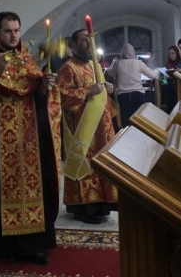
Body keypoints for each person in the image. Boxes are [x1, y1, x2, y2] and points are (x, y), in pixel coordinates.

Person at [0, 11, 61, 264]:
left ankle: (33, 246)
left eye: (16, 30)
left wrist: (44, 85)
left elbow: (34, 90)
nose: (13, 35)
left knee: (32, 187)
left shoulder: (26, 56)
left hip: (29, 139)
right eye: (8, 31)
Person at [57, 28, 118, 224]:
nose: (88, 44)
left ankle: (103, 204)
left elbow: (102, 94)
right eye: (84, 41)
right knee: (86, 163)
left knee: (101, 163)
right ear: (73, 46)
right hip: (83, 128)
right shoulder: (68, 68)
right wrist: (87, 91)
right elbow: (62, 95)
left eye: (90, 40)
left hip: (102, 127)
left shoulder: (95, 66)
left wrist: (109, 89)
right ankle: (85, 209)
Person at [106, 43, 159, 127]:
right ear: (133, 52)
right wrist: (156, 71)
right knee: (140, 119)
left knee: (125, 121)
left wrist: (114, 62)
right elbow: (153, 75)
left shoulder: (117, 63)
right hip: (138, 95)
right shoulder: (138, 63)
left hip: (122, 96)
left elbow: (109, 72)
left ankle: (127, 137)